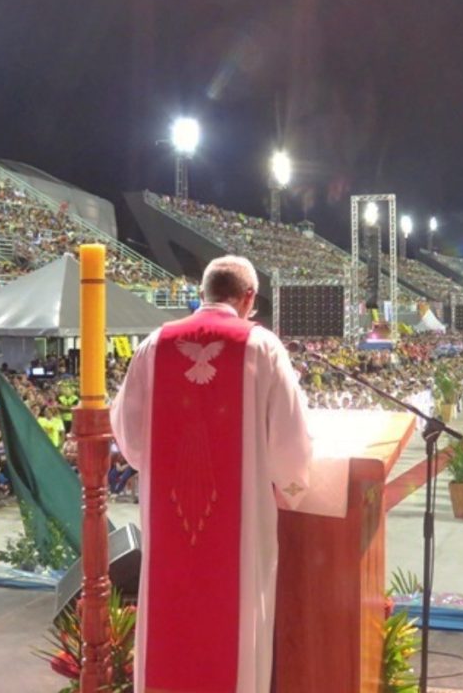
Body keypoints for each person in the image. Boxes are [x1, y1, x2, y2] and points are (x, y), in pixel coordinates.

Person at [111, 255, 313, 693]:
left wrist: (160, 465)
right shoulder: (262, 345)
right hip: (238, 527)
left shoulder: (154, 344)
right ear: (249, 298)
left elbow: (129, 435)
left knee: (170, 620)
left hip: (172, 519)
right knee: (237, 625)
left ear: (202, 293)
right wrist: (290, 487)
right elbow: (290, 441)